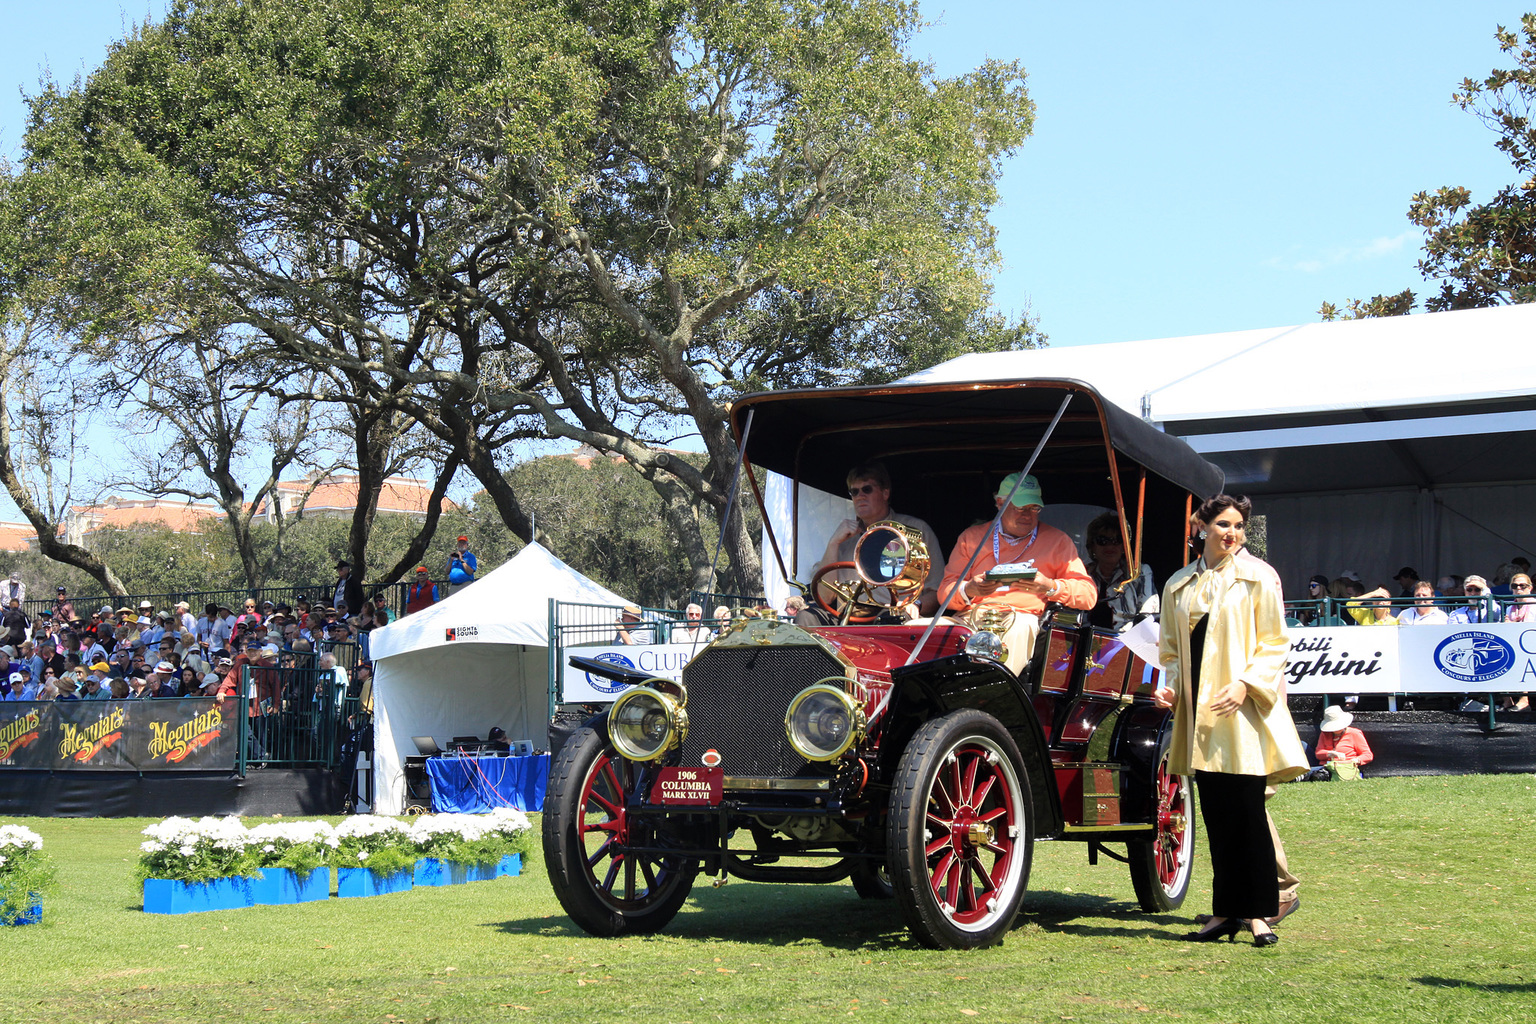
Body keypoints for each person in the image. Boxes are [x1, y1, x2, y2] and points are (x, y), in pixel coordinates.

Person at [1156, 493, 1307, 947]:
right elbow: (1170, 649)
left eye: (1239, 526)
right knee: (1217, 814)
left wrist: (1245, 685)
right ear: (1201, 527)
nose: (1232, 533)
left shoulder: (1258, 577)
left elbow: (1276, 643)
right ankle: (1224, 912)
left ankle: (1259, 914)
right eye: (1223, 524)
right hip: (1199, 716)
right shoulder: (1178, 584)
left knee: (1248, 808)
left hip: (1241, 710)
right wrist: (1172, 688)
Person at [936, 473, 1096, 676]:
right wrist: (969, 589)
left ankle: (992, 699)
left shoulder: (1058, 541)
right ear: (1000, 503)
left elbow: (1088, 594)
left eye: (1034, 508)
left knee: (1017, 630)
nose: (1027, 515)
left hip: (1022, 617)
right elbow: (945, 592)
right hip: (972, 616)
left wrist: (1050, 587)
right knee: (916, 629)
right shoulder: (972, 537)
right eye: (1020, 507)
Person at [813, 460, 945, 617]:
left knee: (889, 618)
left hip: (894, 616)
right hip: (848, 621)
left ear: (885, 493)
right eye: (854, 492)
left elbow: (939, 590)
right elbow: (825, 598)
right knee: (807, 616)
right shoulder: (844, 539)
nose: (859, 497)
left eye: (866, 489)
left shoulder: (916, 530)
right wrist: (833, 543)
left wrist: (915, 605)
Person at [1081, 510, 1157, 630]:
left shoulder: (1139, 572)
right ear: (1092, 546)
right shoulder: (1084, 573)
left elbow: (1148, 618)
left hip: (1125, 643)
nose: (1110, 546)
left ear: (1124, 547)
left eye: (1117, 540)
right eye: (1103, 540)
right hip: (1084, 641)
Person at [1314, 704, 1374, 772]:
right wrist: (1331, 753)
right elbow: (1318, 754)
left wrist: (1355, 760)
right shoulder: (1324, 734)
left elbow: (1368, 755)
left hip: (1346, 768)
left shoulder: (1354, 733)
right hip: (1326, 767)